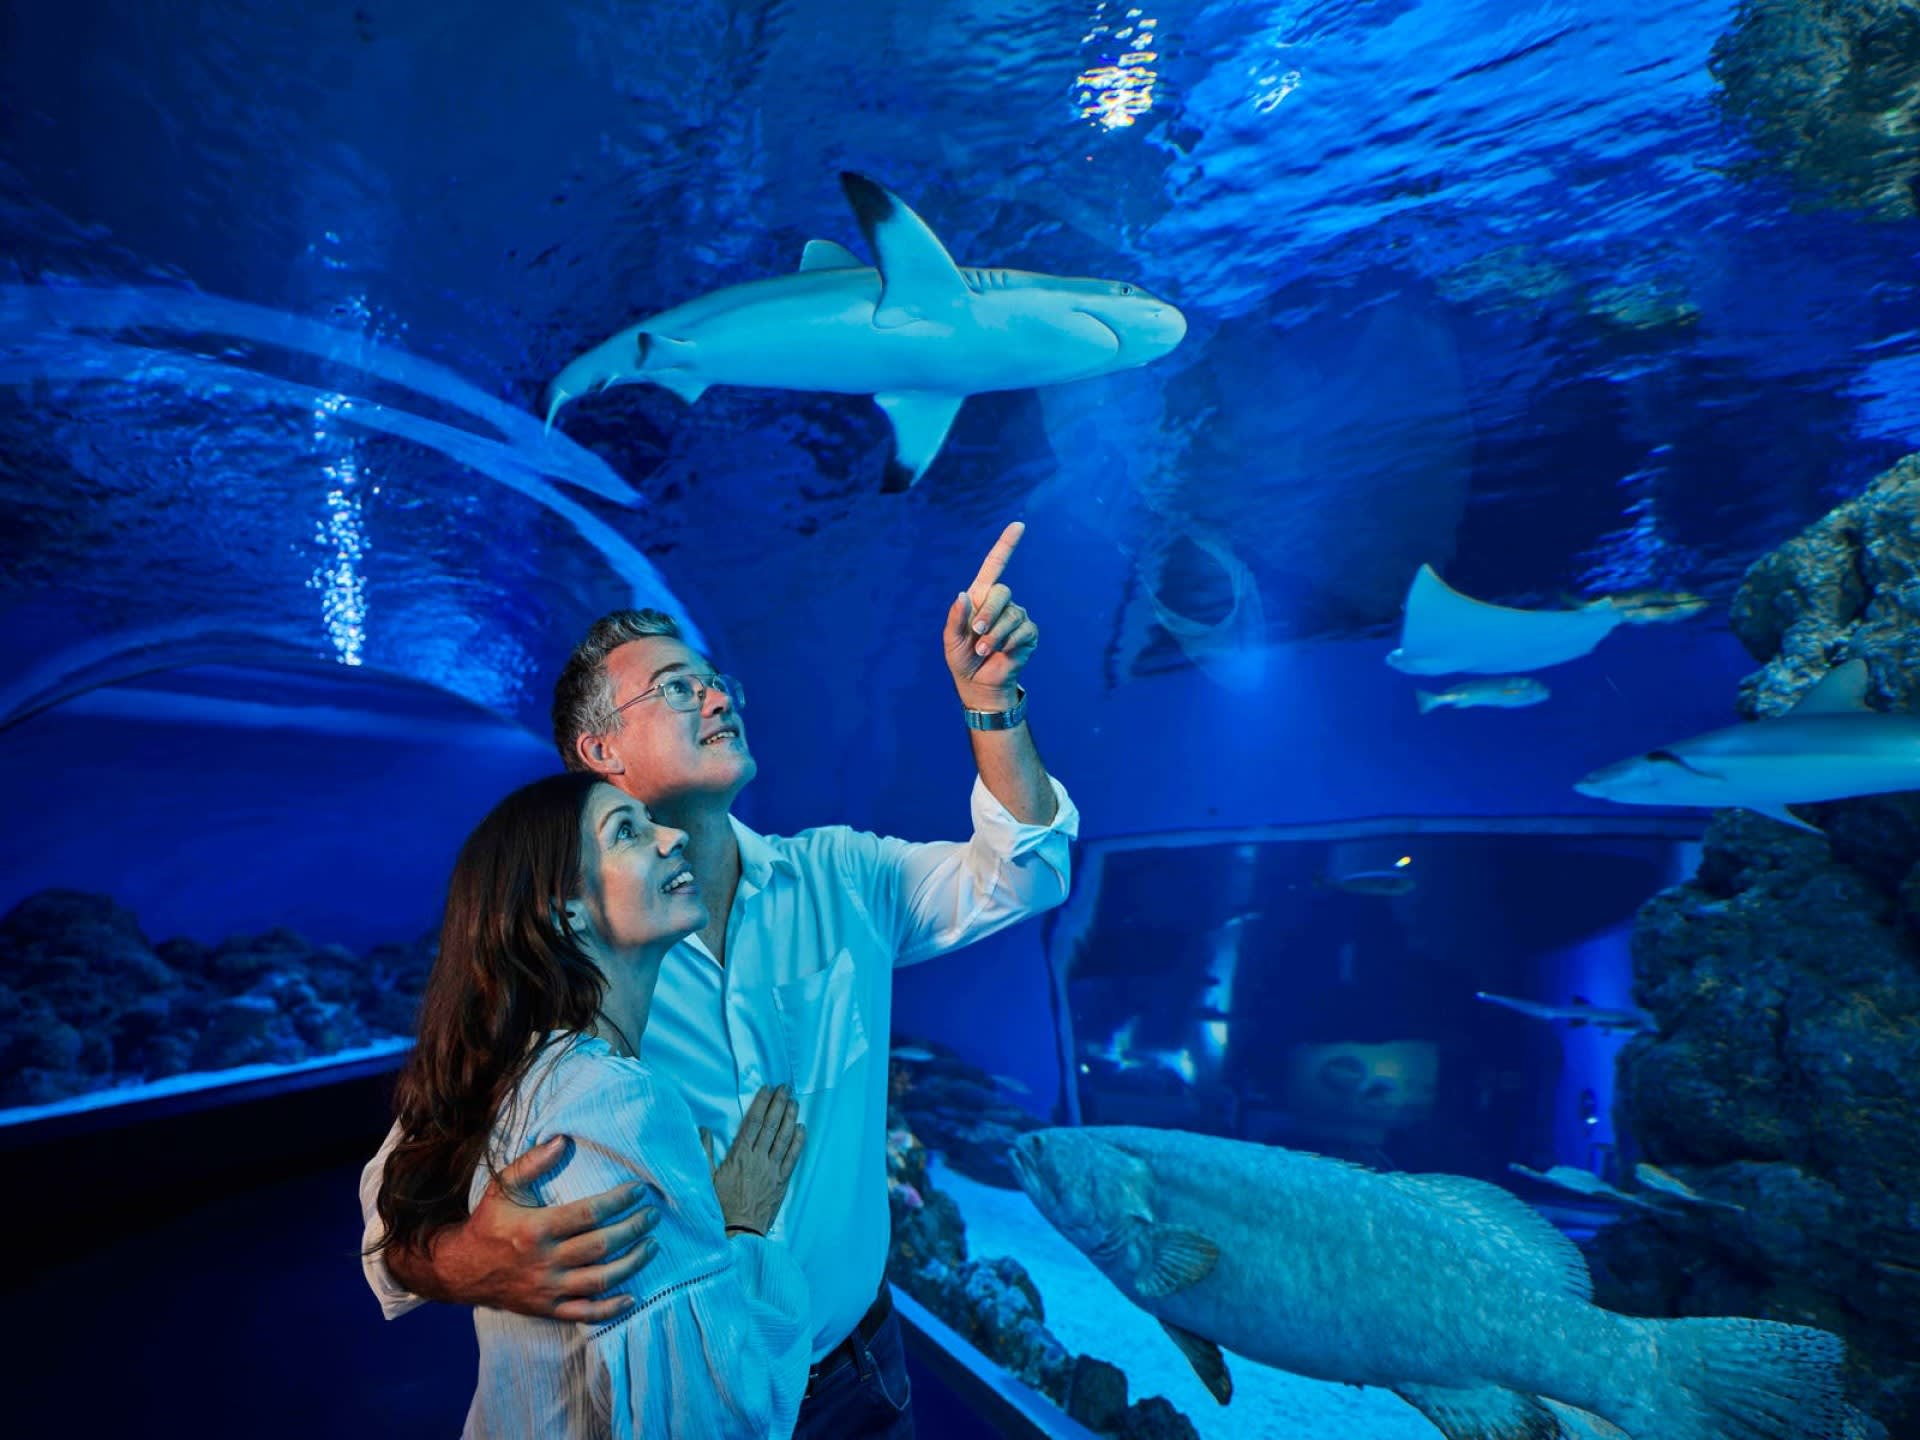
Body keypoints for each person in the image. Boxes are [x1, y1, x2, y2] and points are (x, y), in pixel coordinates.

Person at [361, 521, 1079, 1439]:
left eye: (714, 680)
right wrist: (468, 1261)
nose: (711, 694)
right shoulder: (553, 975)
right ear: (598, 753)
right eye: (672, 687)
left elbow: (1026, 870)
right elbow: (396, 1212)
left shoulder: (843, 878)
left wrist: (990, 702)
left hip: (856, 1372)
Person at [372, 771, 813, 1437]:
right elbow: (720, 1418)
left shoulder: (514, 1067)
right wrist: (745, 1228)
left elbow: (384, 1216)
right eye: (628, 832)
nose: (674, 838)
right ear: (564, 909)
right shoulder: (612, 1103)